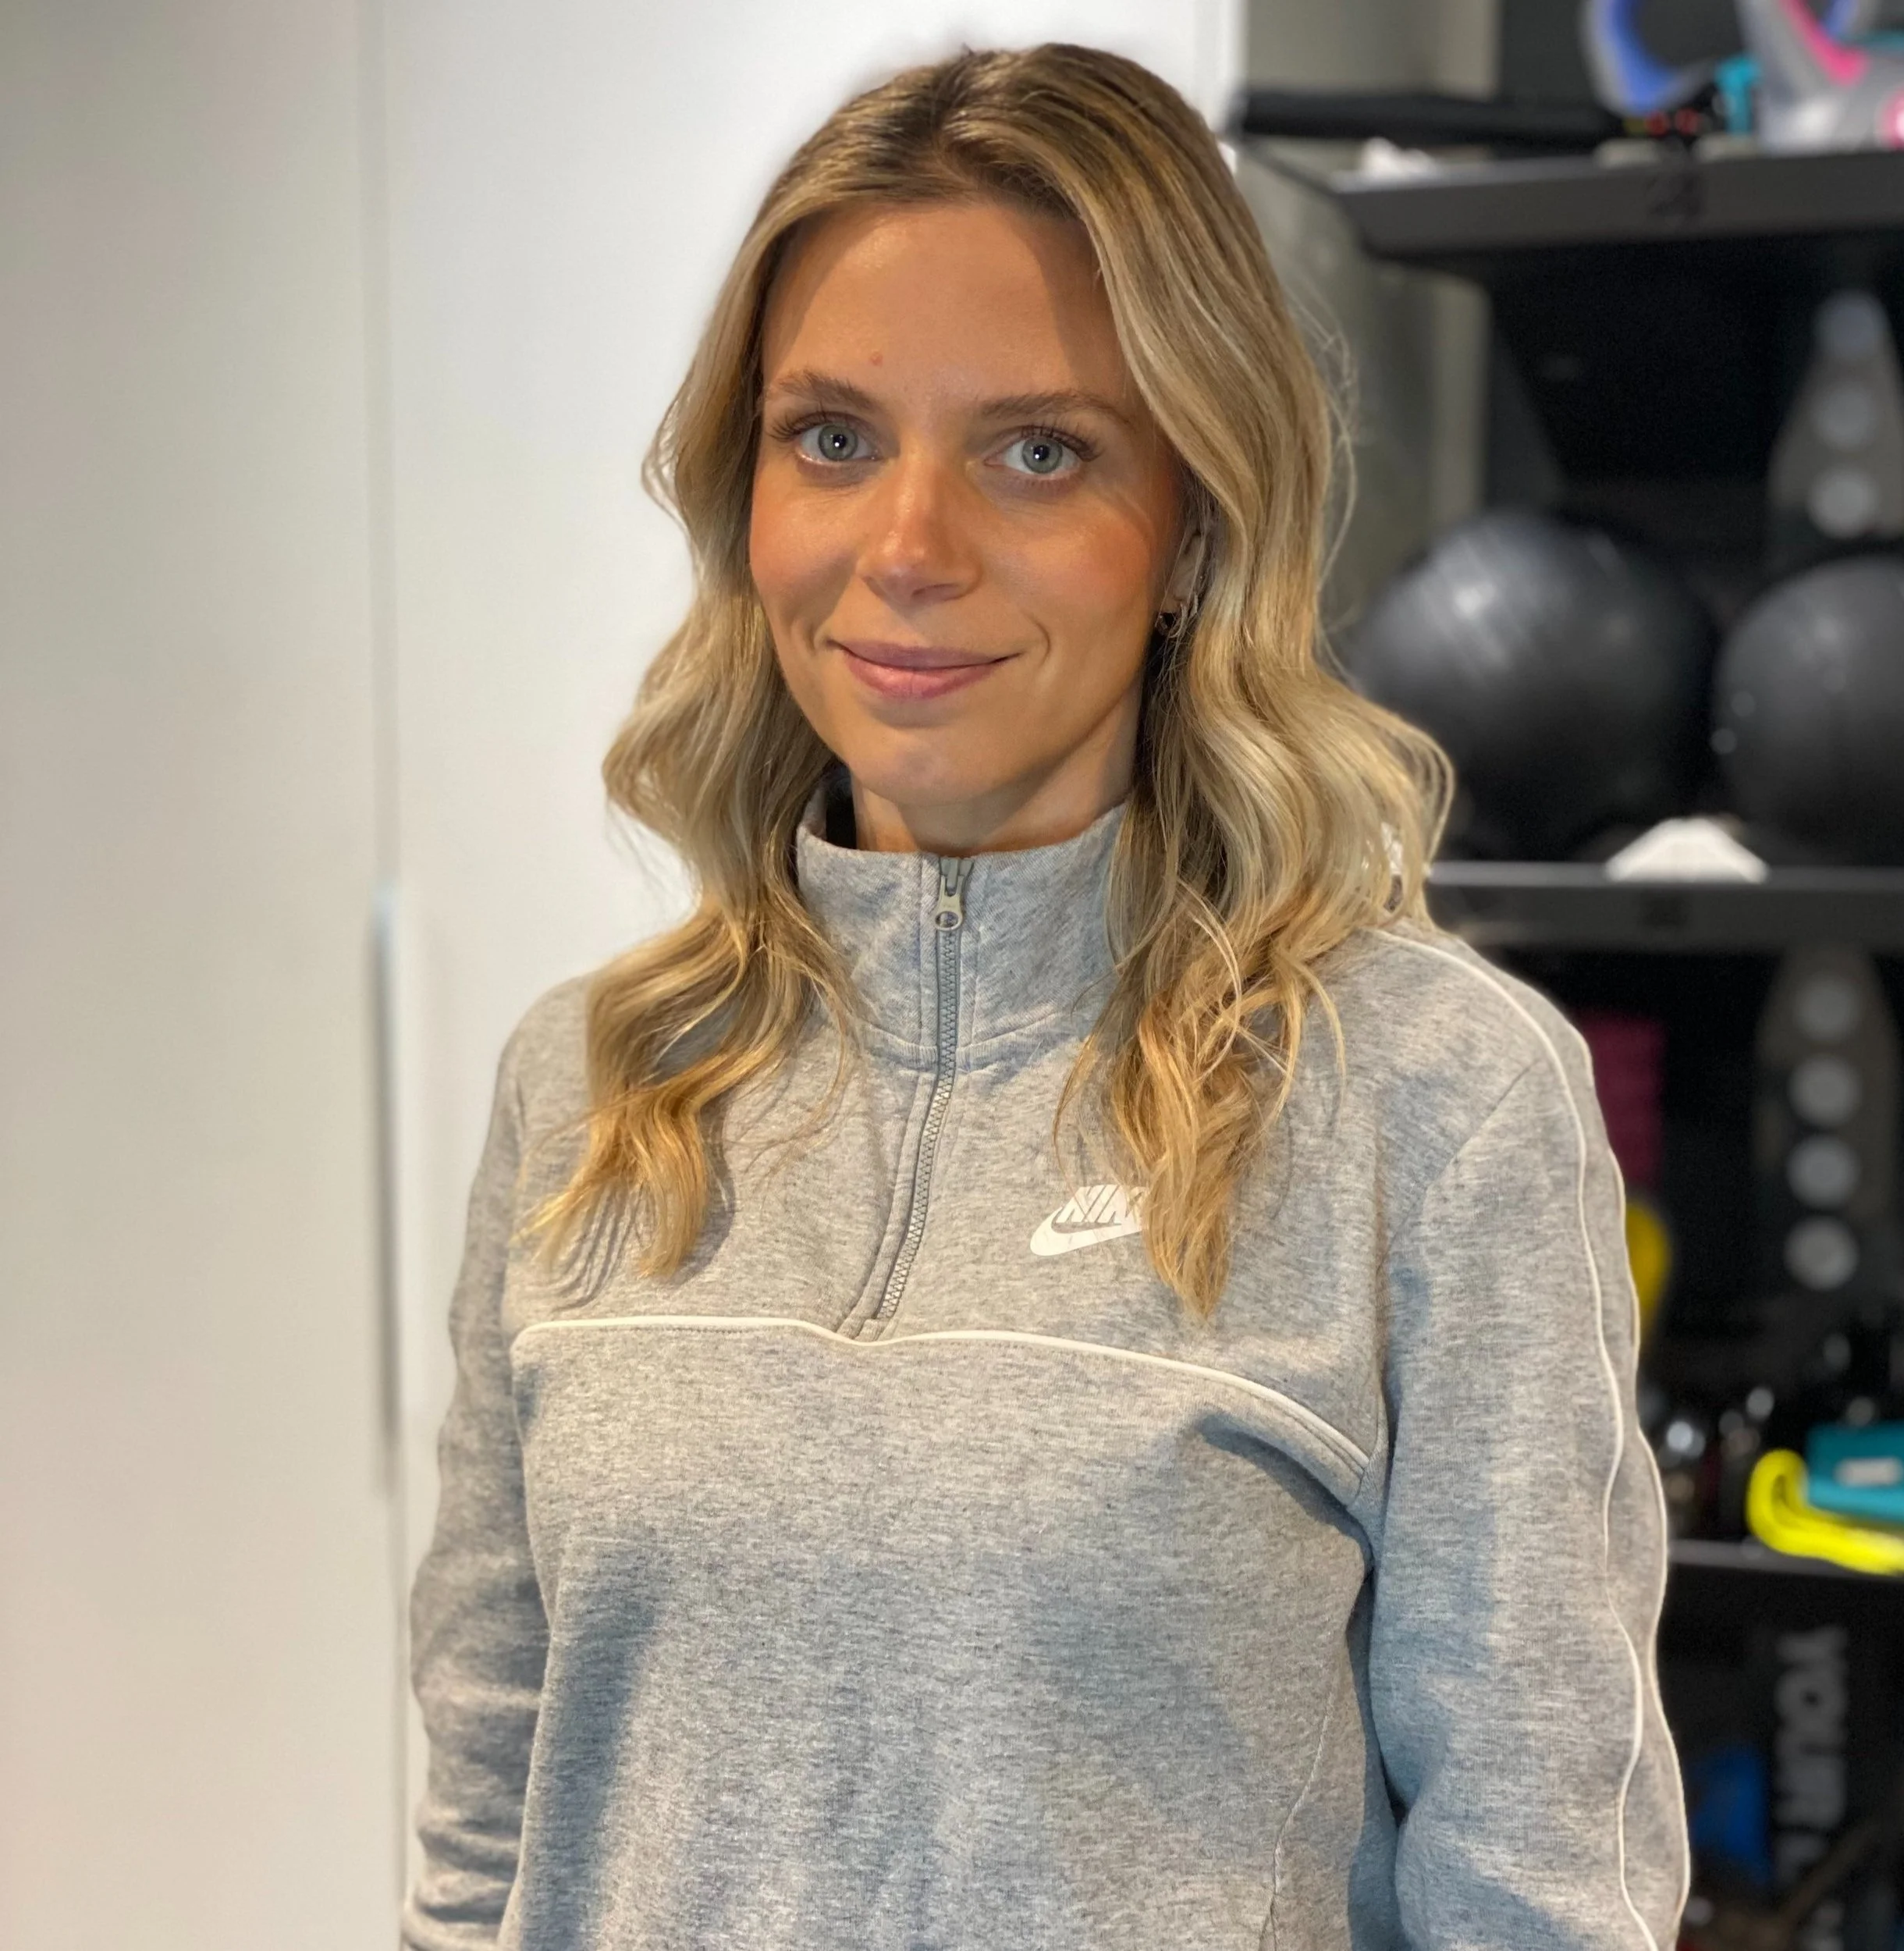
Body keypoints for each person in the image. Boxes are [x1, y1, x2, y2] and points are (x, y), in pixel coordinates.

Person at [403, 41, 1687, 1951]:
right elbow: (490, 1805)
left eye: (1037, 450)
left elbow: (1536, 1878)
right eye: (828, 436)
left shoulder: (1430, 1093)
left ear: (1187, 518)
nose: (904, 550)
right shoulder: (596, 1080)